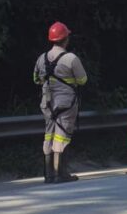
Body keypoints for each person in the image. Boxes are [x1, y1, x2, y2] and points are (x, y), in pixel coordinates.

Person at [33, 21, 87, 184]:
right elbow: (83, 80)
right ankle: (60, 174)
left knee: (48, 135)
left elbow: (36, 79)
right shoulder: (71, 58)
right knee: (62, 136)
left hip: (47, 103)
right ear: (65, 39)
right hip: (66, 104)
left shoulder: (41, 58)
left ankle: (48, 174)